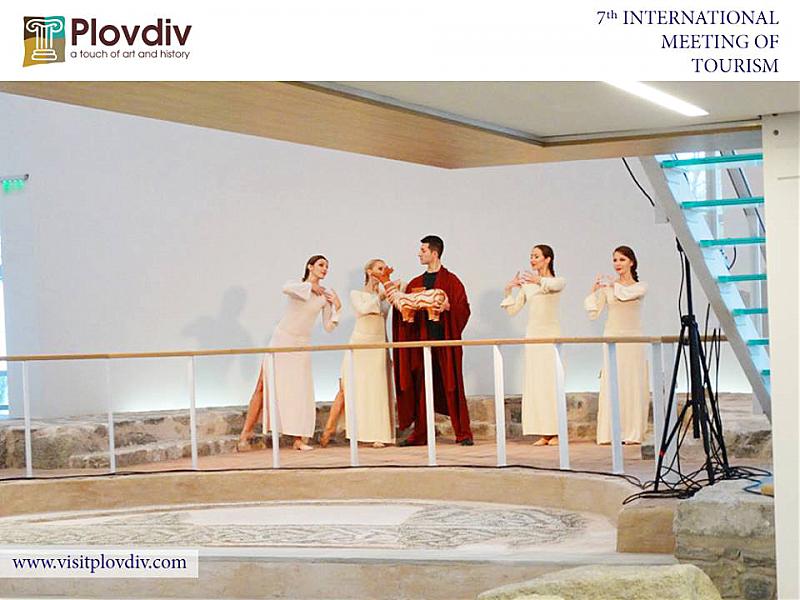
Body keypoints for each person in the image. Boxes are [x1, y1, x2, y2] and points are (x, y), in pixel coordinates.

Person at [238, 255, 341, 452]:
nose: (324, 269)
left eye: (327, 266)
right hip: (282, 339)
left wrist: (337, 306)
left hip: (301, 345)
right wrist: (310, 286)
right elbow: (285, 288)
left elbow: (329, 326)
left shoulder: (324, 296)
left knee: (300, 390)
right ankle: (245, 433)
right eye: (321, 265)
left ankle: (298, 439)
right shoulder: (298, 287)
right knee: (263, 385)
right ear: (310, 267)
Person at [392, 235, 473, 446]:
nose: (419, 254)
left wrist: (448, 308)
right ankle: (420, 434)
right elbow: (405, 310)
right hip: (421, 343)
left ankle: (463, 433)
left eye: (423, 250)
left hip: (444, 342)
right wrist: (399, 301)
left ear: (434, 253)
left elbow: (463, 309)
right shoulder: (415, 283)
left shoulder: (451, 281)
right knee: (421, 388)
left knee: (452, 386)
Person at [320, 259, 395, 448]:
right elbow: (364, 309)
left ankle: (379, 434)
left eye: (385, 268)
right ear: (369, 271)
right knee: (351, 388)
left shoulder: (385, 294)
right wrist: (381, 294)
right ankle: (336, 430)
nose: (383, 271)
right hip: (360, 344)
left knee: (378, 389)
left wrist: (388, 287)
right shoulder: (356, 294)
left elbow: (391, 305)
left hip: (379, 344)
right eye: (379, 268)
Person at [584, 245, 650, 445]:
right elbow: (593, 312)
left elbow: (626, 294)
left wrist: (613, 285)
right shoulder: (609, 288)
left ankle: (632, 432)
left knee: (632, 382)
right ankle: (611, 432)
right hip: (612, 337)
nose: (617, 263)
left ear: (631, 262)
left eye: (622, 259)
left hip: (633, 340)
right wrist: (594, 291)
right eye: (615, 260)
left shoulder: (640, 286)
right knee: (614, 382)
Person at [501, 244, 566, 446]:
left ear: (547, 259)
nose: (532, 259)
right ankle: (544, 432)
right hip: (533, 337)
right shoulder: (528, 287)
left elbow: (552, 285)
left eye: (536, 256)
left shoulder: (556, 281)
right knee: (536, 383)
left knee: (550, 382)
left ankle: (556, 431)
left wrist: (537, 280)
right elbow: (512, 310)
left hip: (550, 337)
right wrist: (508, 291)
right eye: (531, 256)